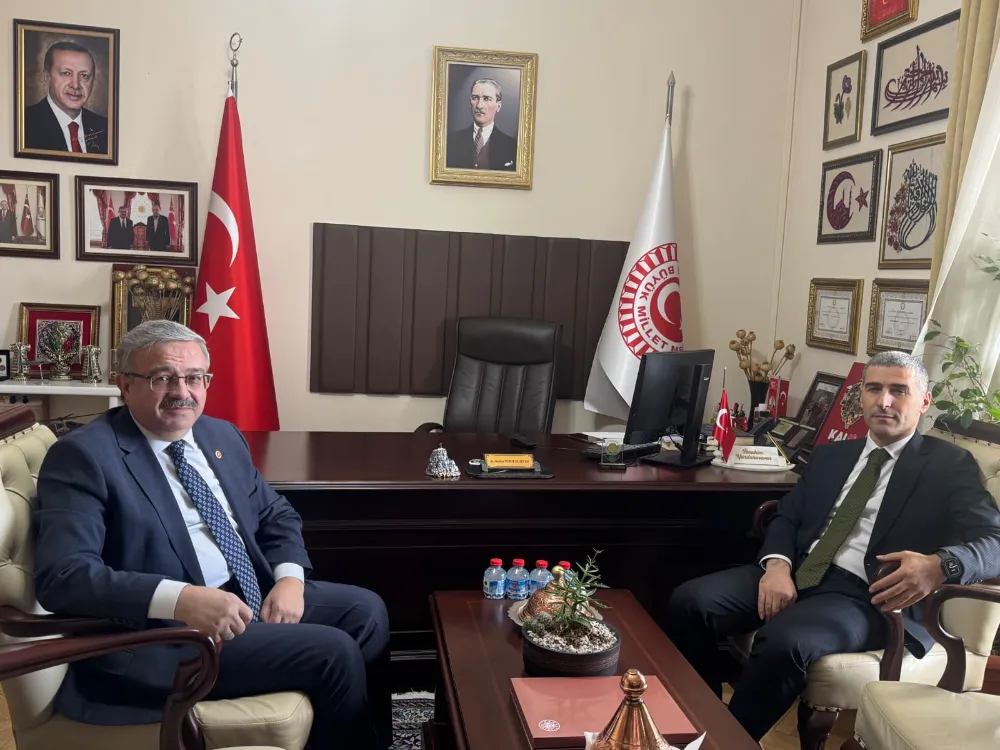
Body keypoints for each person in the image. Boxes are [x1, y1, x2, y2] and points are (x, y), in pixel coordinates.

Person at [33, 320, 391, 750]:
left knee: (367, 612)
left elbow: (274, 513)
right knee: (333, 652)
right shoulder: (83, 456)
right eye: (162, 377)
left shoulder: (219, 434)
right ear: (124, 385)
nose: (182, 391)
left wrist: (289, 581)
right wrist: (181, 599)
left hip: (245, 592)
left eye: (195, 377)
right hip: (162, 637)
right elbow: (64, 576)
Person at [663, 350, 1000, 742]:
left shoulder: (949, 465)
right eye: (874, 389)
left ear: (923, 402)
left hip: (868, 598)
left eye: (898, 391)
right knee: (689, 602)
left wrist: (940, 565)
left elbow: (995, 541)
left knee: (784, 642)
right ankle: (700, 719)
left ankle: (725, 743)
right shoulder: (831, 455)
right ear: (861, 396)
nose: (884, 401)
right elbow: (787, 515)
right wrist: (777, 566)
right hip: (800, 570)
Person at [23, 41, 109, 155]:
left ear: (93, 81)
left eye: (84, 76)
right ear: (47, 76)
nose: (75, 85)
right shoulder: (24, 123)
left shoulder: (107, 128)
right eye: (66, 73)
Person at [446, 77, 518, 171]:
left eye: (486, 99)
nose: (479, 105)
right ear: (470, 103)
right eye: (475, 98)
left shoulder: (512, 146)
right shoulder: (451, 141)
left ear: (498, 106)